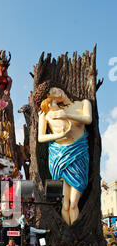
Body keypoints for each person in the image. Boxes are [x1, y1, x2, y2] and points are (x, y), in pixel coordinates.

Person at [35, 81, 92, 225]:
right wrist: (59, 135)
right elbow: (41, 137)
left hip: (78, 152)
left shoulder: (83, 103)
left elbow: (88, 119)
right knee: (65, 204)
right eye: (51, 95)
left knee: (74, 202)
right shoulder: (48, 112)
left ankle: (76, 231)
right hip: (59, 155)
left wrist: (66, 115)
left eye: (55, 90)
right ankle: (68, 233)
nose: (56, 93)